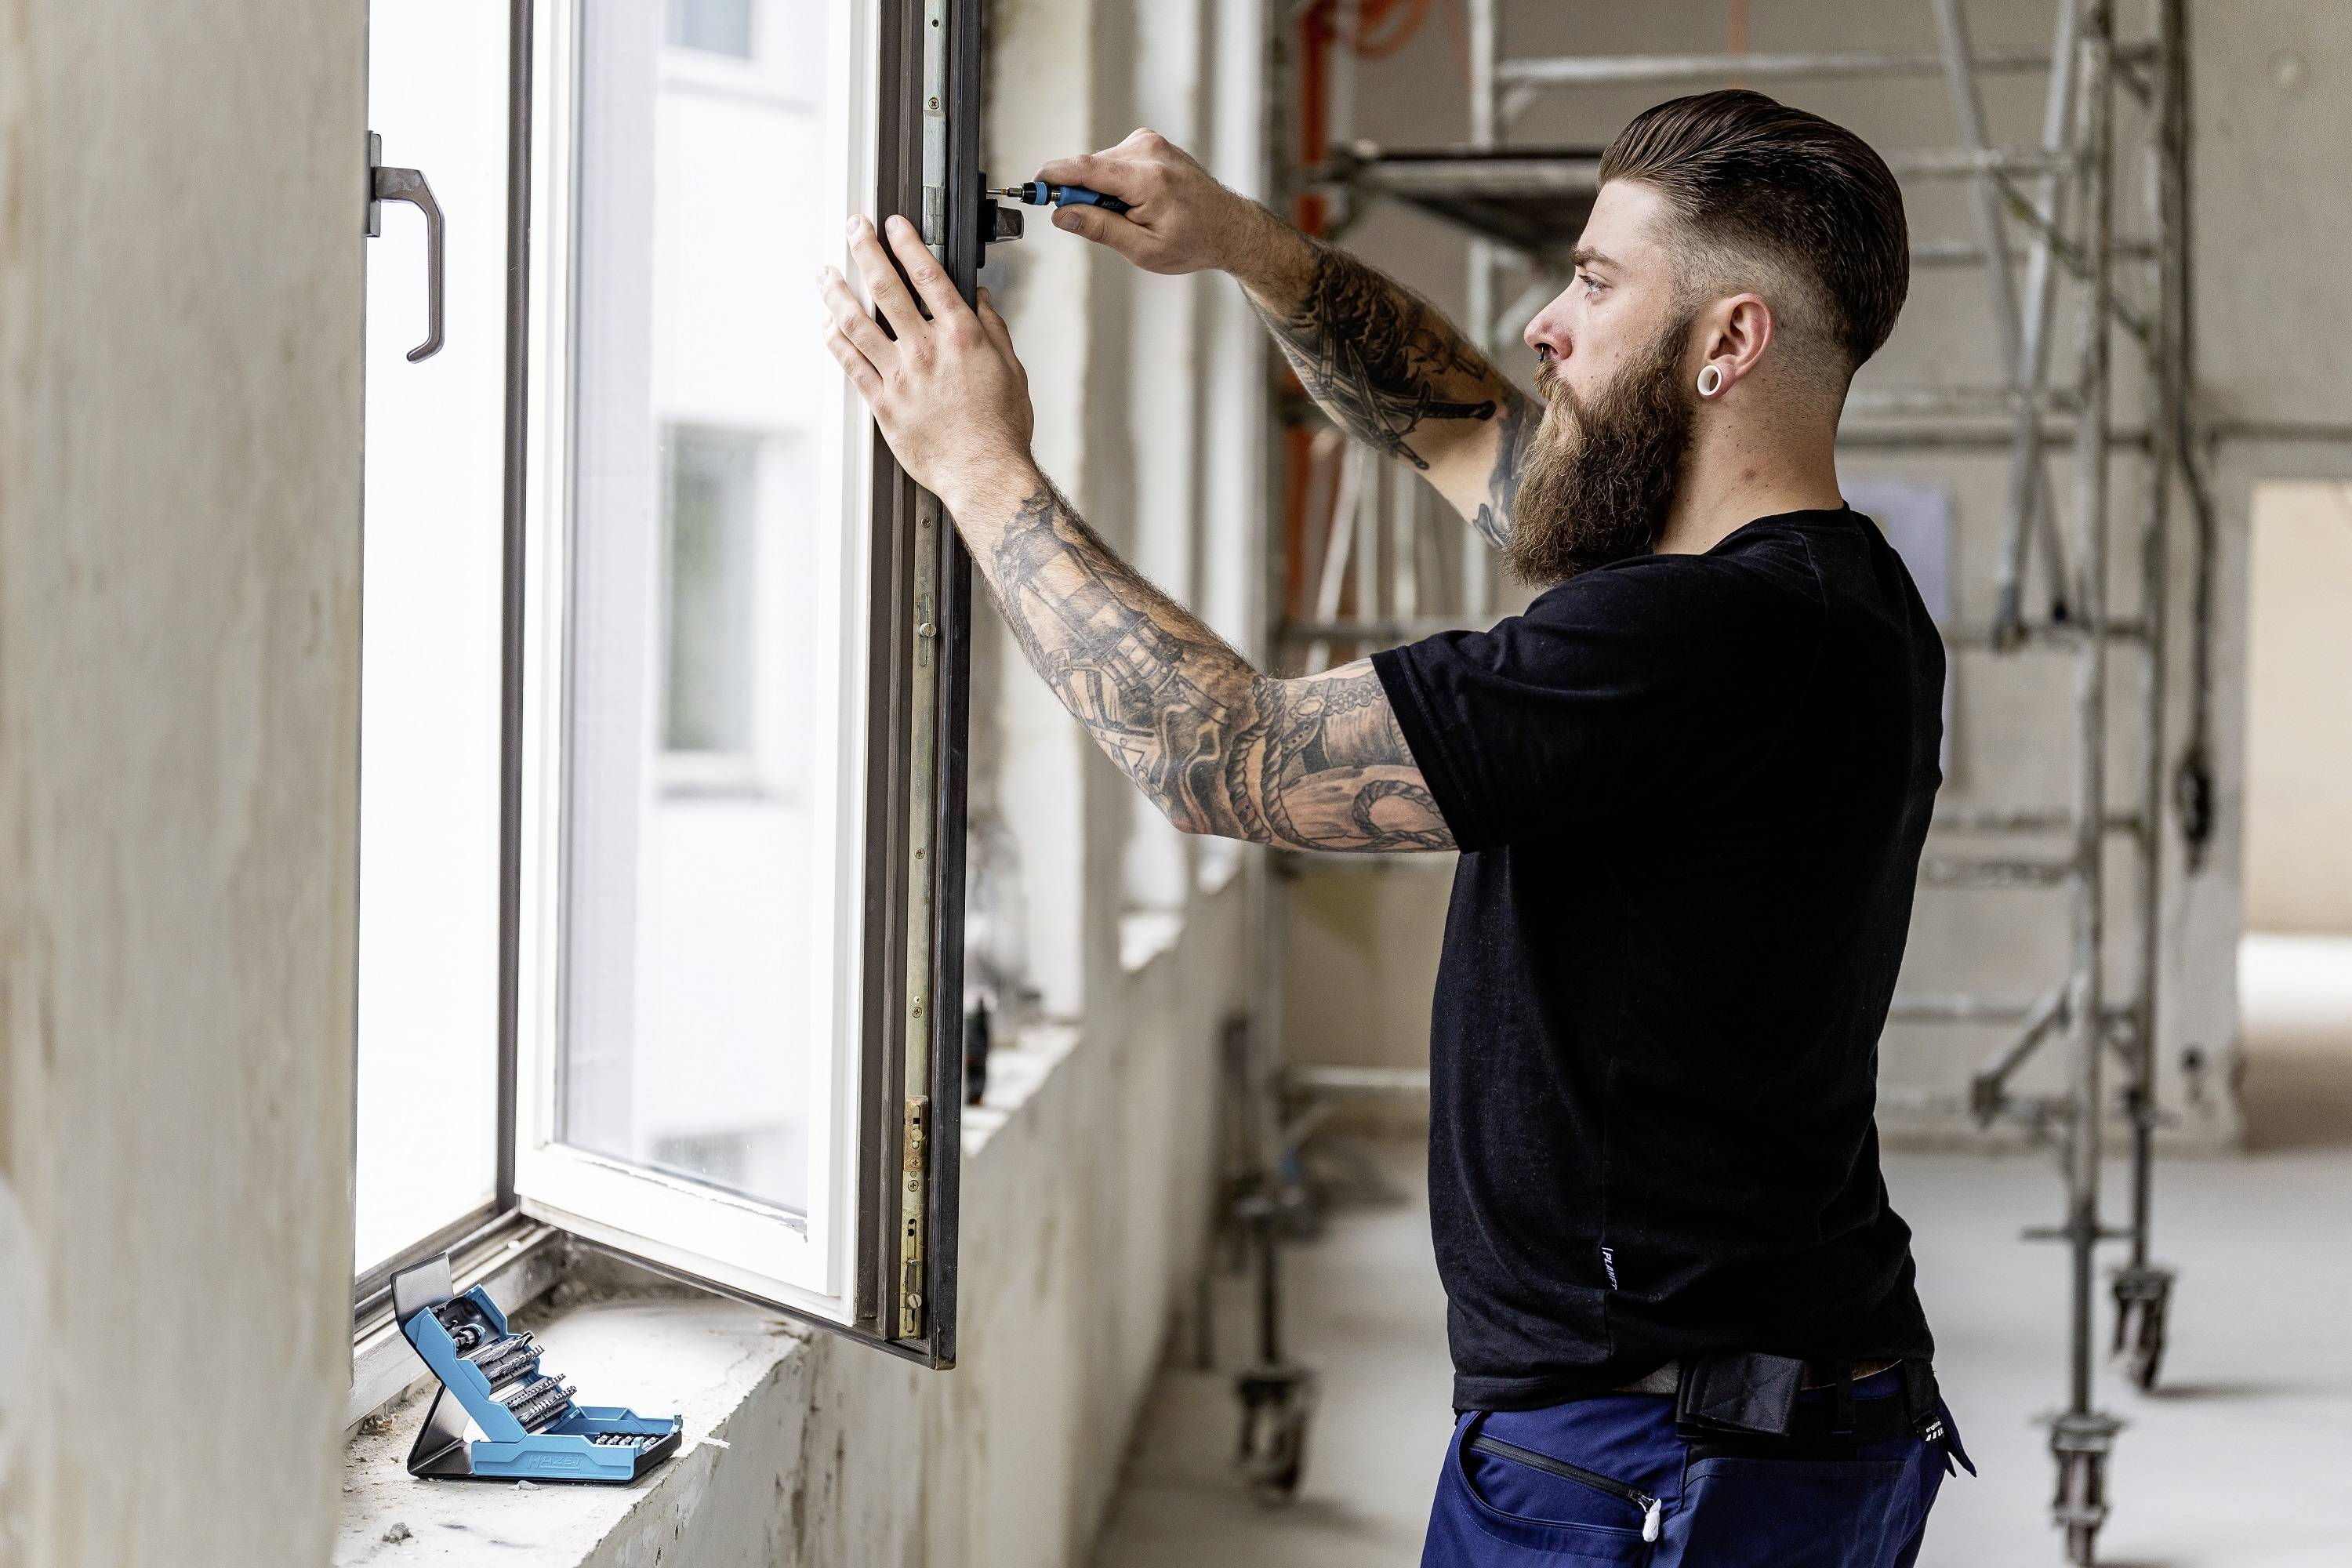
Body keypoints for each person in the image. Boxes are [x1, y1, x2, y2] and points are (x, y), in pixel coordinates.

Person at [818, 86, 1968, 1568]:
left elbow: (1222, 759)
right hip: (1764, 1422)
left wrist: (977, 463)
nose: (1546, 324)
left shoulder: (1699, 639)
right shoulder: (1840, 599)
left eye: (1596, 283)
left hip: (1654, 1463)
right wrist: (1246, 245)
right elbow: (1465, 429)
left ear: (1727, 342)